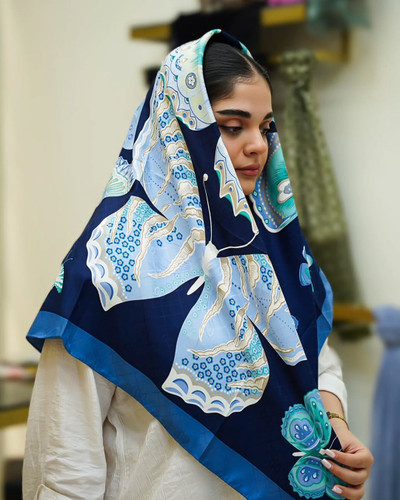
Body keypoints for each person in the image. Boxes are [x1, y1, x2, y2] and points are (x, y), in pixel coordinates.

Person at [23, 30, 373, 500]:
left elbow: (316, 362)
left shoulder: (277, 250)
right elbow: (64, 467)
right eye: (233, 126)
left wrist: (335, 429)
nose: (258, 144)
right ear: (180, 129)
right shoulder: (103, 272)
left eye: (265, 126)